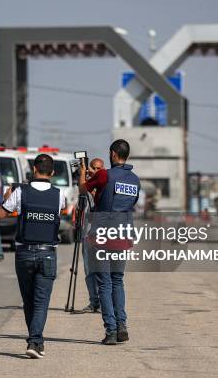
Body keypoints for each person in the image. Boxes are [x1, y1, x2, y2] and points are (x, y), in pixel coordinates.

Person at [0, 154, 66, 359]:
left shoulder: (21, 192)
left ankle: (36, 341)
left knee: (29, 301)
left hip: (24, 253)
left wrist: (8, 197)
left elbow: (1, 214)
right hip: (47, 253)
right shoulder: (59, 194)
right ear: (52, 173)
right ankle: (35, 342)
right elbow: (61, 210)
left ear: (33, 170)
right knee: (41, 301)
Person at [78, 139, 140, 345]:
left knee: (104, 284)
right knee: (117, 281)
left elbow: (82, 189)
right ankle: (122, 325)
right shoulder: (134, 180)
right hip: (123, 235)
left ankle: (111, 331)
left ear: (113, 154)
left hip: (103, 236)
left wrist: (82, 171)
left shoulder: (104, 174)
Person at [80, 158, 104, 314]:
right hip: (86, 232)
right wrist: (82, 174)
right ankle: (93, 301)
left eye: (97, 169)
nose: (94, 172)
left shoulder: (103, 186)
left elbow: (97, 198)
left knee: (101, 270)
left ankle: (104, 302)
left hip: (100, 234)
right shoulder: (87, 185)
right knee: (88, 269)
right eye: (92, 168)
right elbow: (81, 191)